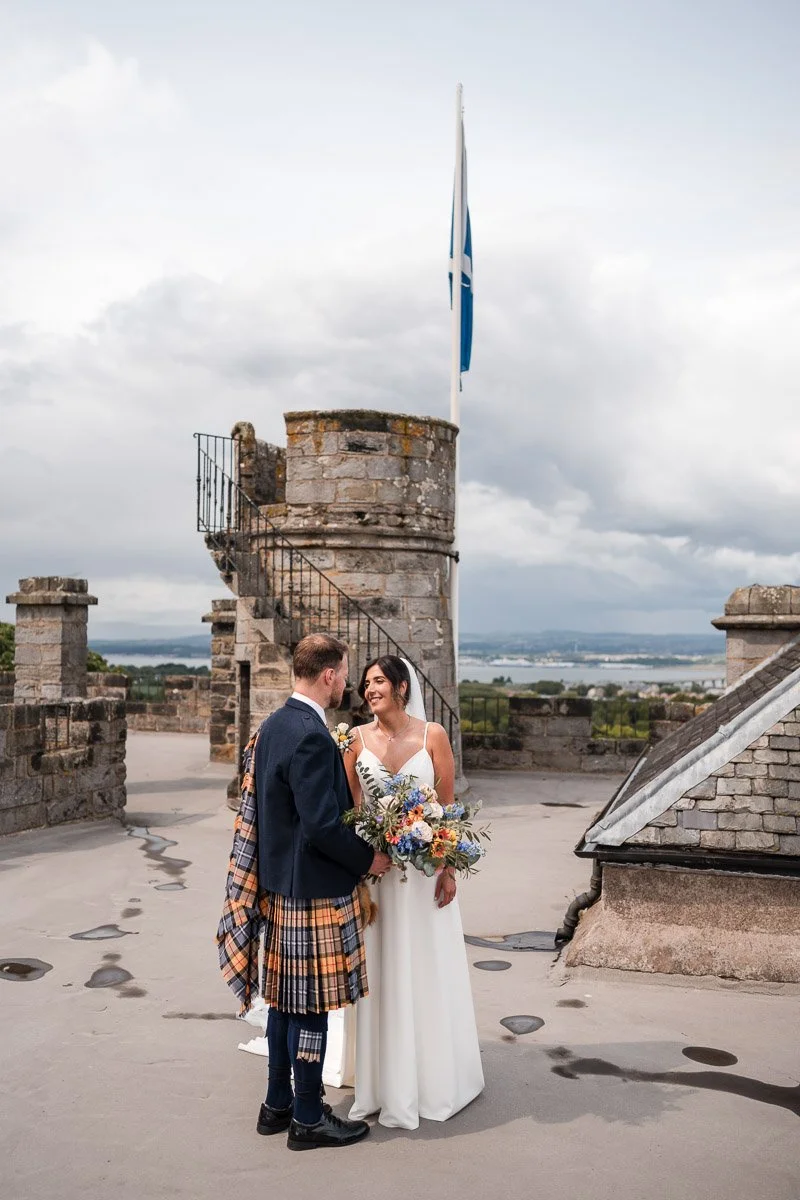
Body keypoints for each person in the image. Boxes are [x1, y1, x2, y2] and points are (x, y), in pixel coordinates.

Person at [218, 633, 391, 1152]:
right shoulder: (313, 735)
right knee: (311, 1007)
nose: (348, 684)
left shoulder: (273, 726)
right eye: (346, 673)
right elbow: (320, 827)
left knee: (283, 1005)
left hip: (279, 887)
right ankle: (310, 1117)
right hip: (312, 890)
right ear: (330, 675)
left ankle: (276, 1105)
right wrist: (369, 858)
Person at [342, 654, 485, 1129]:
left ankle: (431, 1076)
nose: (370, 690)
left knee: (424, 965)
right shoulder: (353, 740)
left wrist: (447, 870)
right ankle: (382, 1081)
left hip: (424, 877)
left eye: (379, 681)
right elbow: (353, 810)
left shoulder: (433, 736)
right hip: (378, 877)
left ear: (402, 687)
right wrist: (361, 866)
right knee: (381, 970)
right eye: (365, 684)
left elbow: (446, 807)